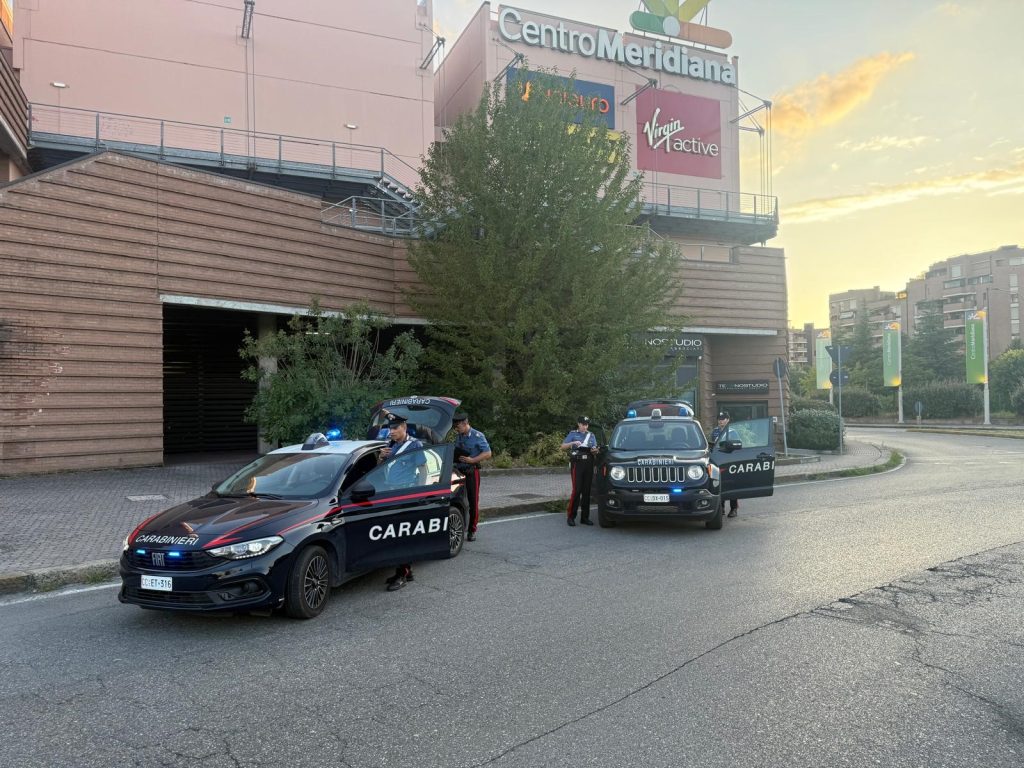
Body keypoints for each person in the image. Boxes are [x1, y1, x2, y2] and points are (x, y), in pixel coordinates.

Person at [378, 413, 428, 591]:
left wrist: (421, 494)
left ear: (404, 428)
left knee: (402, 535)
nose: (391, 431)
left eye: (395, 428)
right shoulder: (390, 444)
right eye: (390, 428)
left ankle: (402, 575)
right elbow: (382, 468)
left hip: (406, 493)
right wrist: (381, 457)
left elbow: (423, 469)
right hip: (390, 492)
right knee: (395, 534)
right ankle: (407, 571)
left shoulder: (414, 445)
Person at [452, 411, 491, 542]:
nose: (456, 429)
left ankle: (472, 530)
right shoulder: (460, 436)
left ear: (465, 423)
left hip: (471, 471)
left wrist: (472, 460)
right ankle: (459, 526)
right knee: (459, 500)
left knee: (473, 501)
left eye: (458, 426)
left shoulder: (477, 435)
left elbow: (487, 453)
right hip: (458, 471)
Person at [561, 416, 598, 526]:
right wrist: (572, 443)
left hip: (588, 464)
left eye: (587, 424)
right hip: (577, 464)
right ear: (579, 424)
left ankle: (585, 518)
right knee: (577, 490)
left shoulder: (591, 435)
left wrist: (595, 450)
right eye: (583, 424)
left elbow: (595, 450)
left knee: (587, 492)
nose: (585, 426)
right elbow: (562, 446)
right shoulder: (573, 434)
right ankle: (571, 517)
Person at [710, 410, 739, 518]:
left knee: (732, 485)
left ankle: (734, 508)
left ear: (728, 420)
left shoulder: (733, 432)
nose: (720, 421)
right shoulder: (715, 431)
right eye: (719, 419)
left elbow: (737, 447)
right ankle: (721, 507)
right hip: (719, 461)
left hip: (730, 461)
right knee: (719, 484)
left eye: (723, 419)